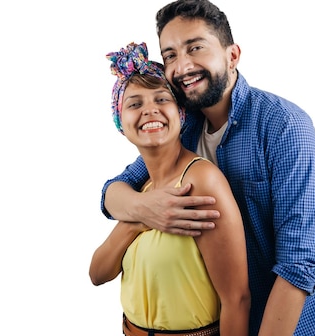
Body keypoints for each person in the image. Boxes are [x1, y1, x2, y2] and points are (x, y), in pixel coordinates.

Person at [100, 0, 315, 336]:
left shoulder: (286, 128)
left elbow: (299, 264)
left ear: (232, 55)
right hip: (224, 318)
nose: (182, 66)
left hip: (290, 318)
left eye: (195, 48)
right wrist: (146, 209)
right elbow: (114, 191)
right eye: (170, 55)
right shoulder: (184, 127)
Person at [89, 42, 250, 336]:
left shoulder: (201, 181)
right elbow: (97, 274)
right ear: (120, 123)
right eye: (135, 104)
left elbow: (236, 300)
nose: (149, 110)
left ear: (180, 113)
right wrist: (138, 220)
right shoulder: (144, 190)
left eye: (161, 100)